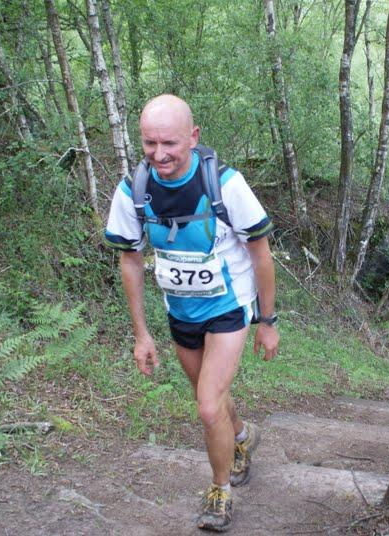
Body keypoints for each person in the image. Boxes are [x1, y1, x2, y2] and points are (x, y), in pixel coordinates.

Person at [104, 94, 279, 532]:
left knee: (207, 406)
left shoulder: (225, 184)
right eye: (149, 143)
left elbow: (260, 252)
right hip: (181, 311)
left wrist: (267, 321)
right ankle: (243, 437)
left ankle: (220, 491)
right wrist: (141, 334)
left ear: (193, 137)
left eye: (170, 143)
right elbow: (130, 259)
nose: (159, 154)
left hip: (227, 306)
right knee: (211, 397)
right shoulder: (133, 190)